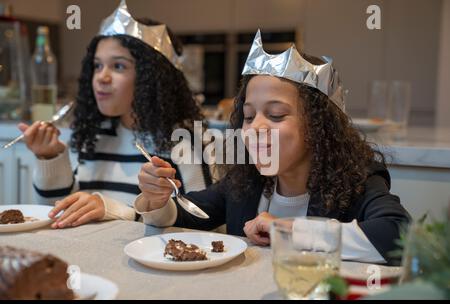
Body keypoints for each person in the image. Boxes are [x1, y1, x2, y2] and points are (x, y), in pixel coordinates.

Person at [134, 30, 411, 265]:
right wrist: (156, 201)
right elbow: (191, 214)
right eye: (249, 116)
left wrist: (288, 231)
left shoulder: (357, 182)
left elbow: (398, 233)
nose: (255, 128)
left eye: (276, 115)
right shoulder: (246, 182)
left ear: (319, 127)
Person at [18, 2, 212, 228]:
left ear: (152, 79)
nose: (102, 77)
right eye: (97, 66)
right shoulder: (93, 137)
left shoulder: (186, 141)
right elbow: (59, 216)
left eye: (118, 66)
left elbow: (202, 226)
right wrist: (50, 158)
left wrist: (116, 211)